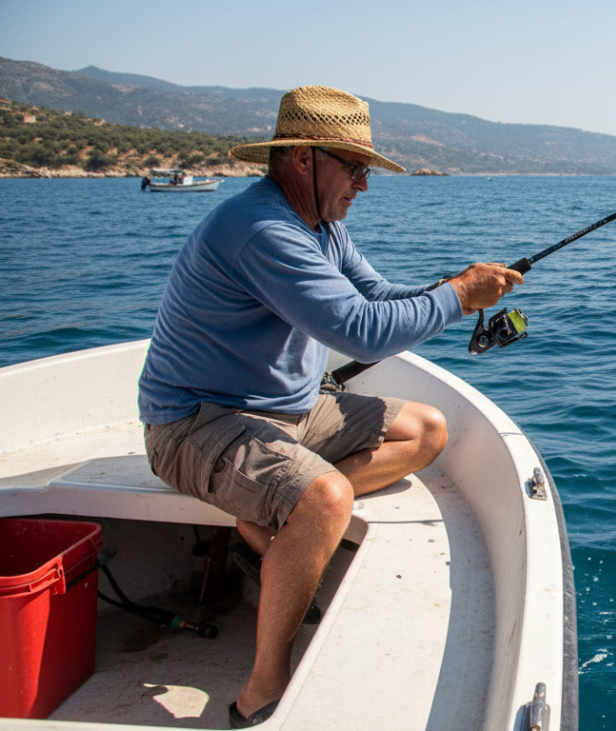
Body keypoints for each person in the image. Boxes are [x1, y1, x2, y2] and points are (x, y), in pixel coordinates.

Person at [136, 86, 523, 728]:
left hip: (287, 412)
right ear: (303, 159)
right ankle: (259, 691)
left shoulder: (321, 227)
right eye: (354, 167)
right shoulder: (260, 228)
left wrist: (456, 288)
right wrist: (457, 296)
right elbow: (360, 332)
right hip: (196, 424)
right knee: (325, 500)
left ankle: (283, 536)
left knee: (427, 430)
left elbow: (375, 297)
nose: (363, 186)